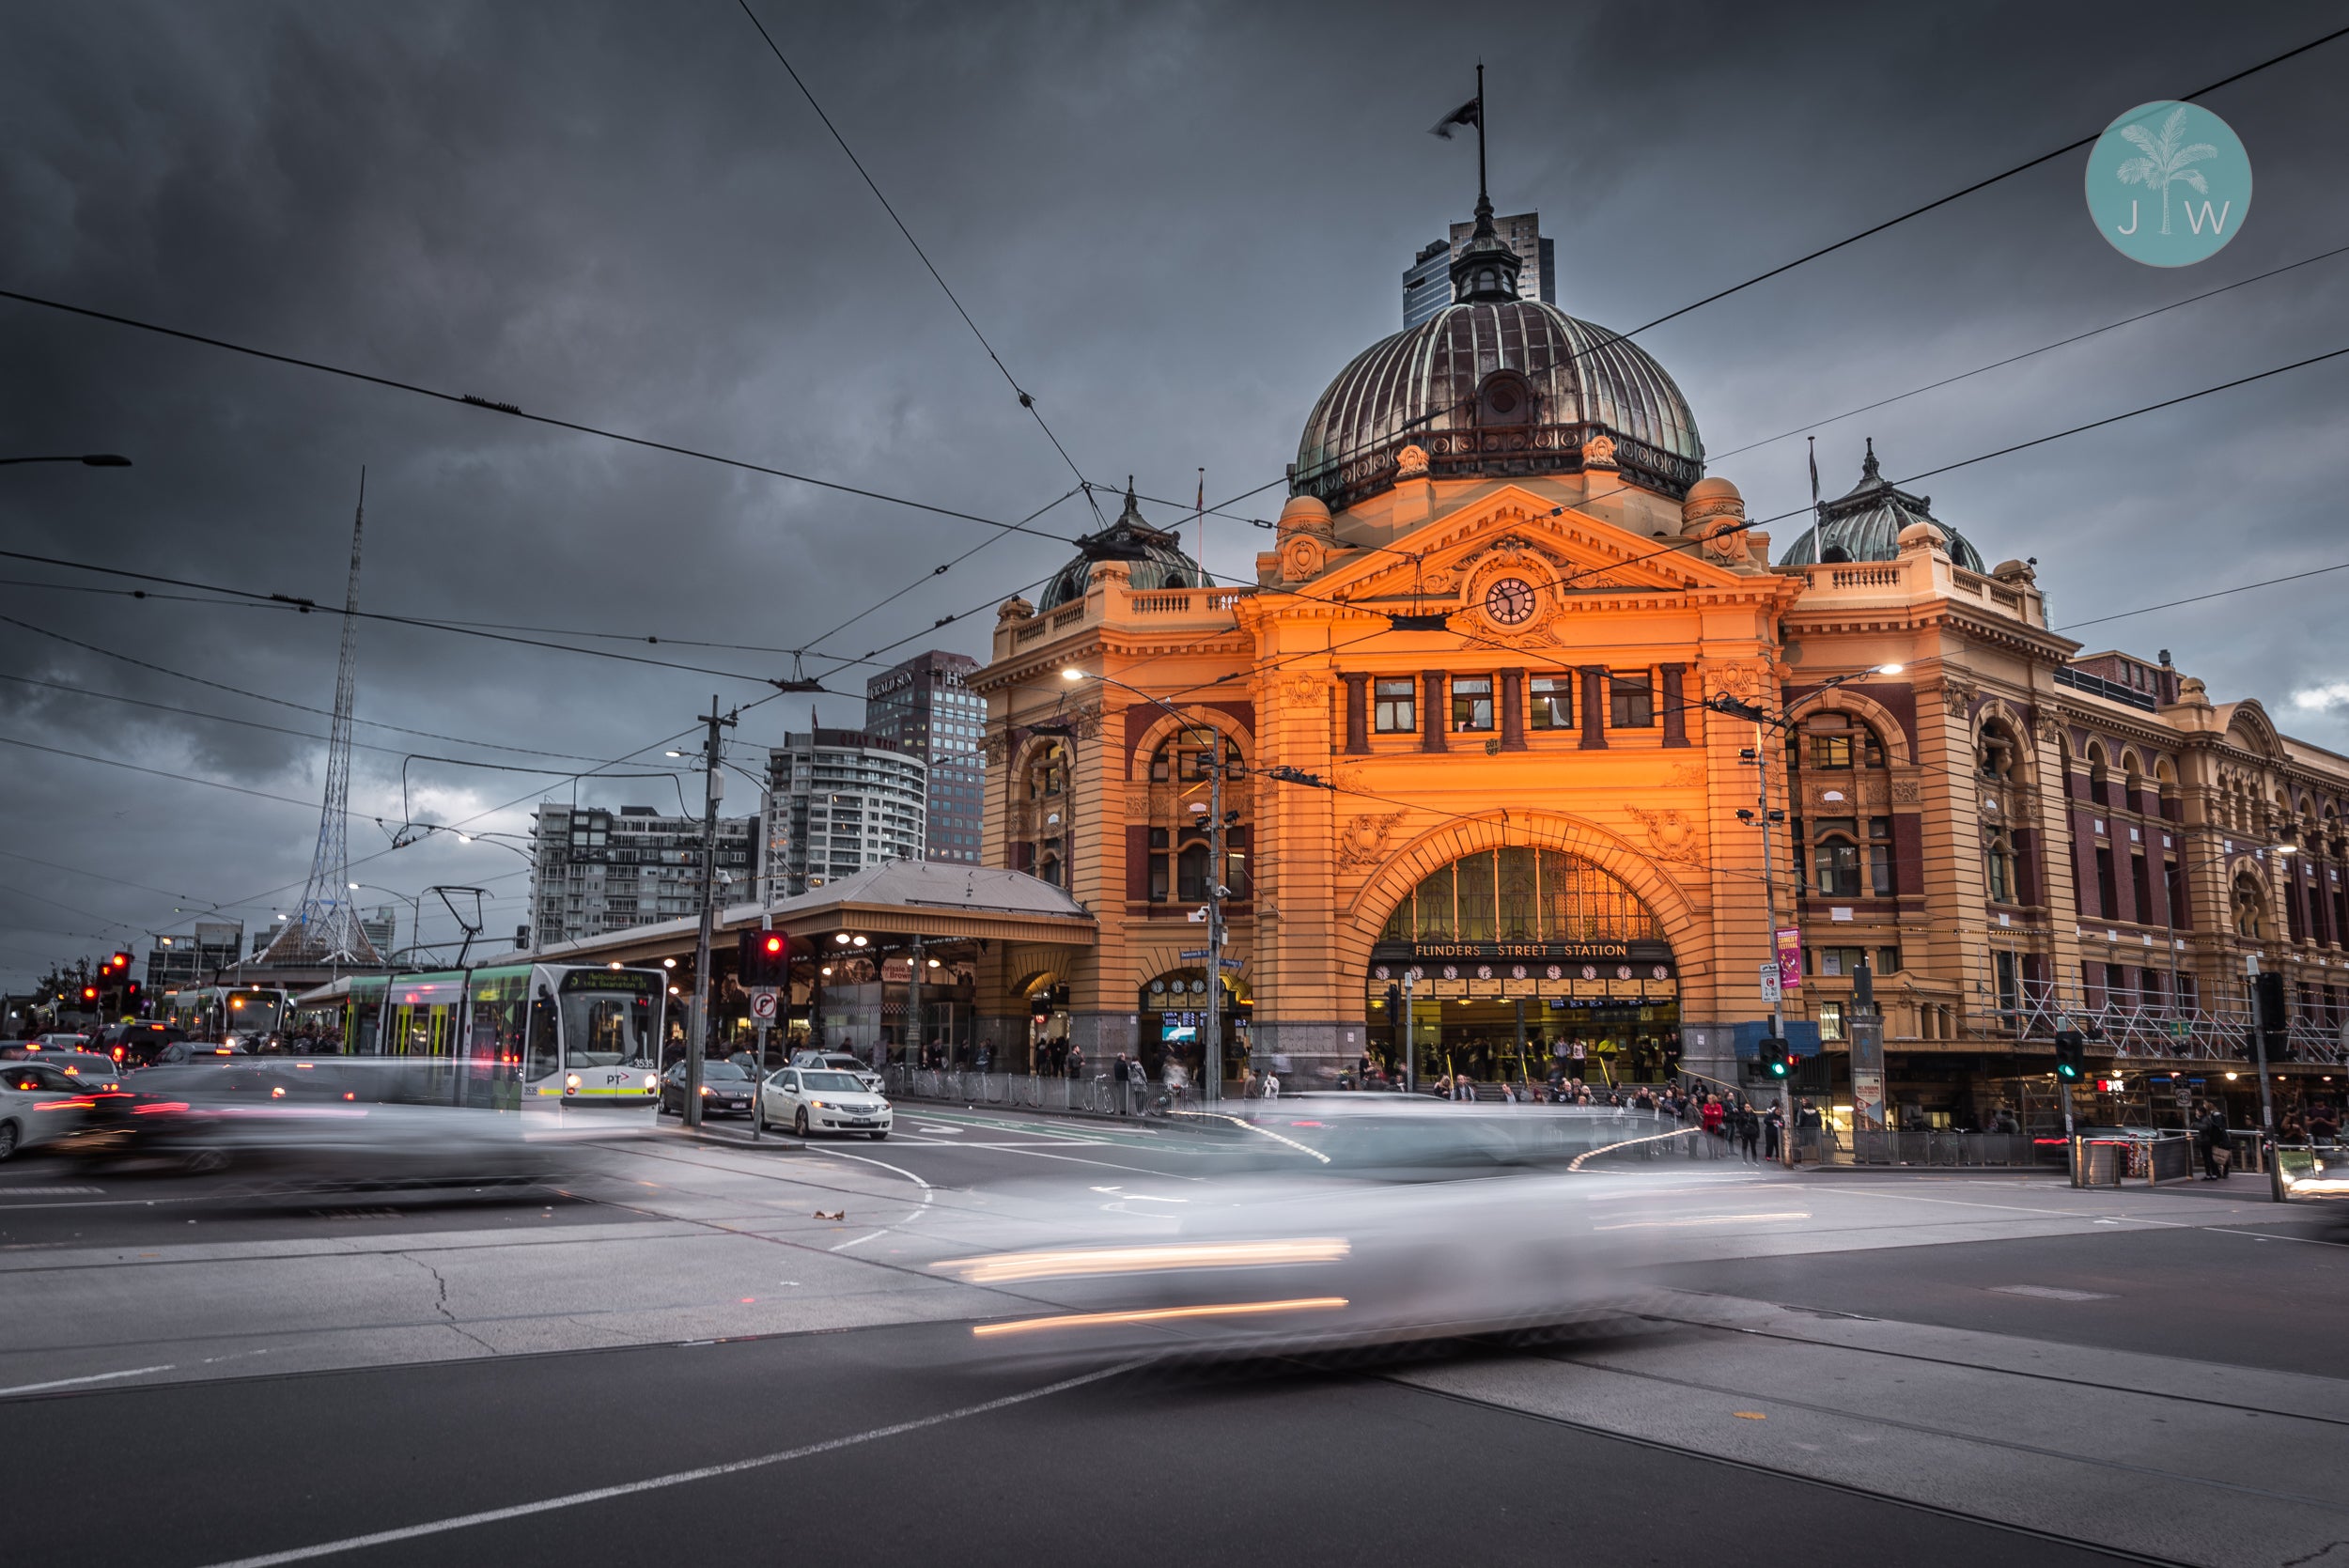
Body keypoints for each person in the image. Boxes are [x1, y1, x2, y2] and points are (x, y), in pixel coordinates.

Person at [2197, 1103, 2229, 1179]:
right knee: (2219, 1155)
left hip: (2217, 1139)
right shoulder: (2213, 1116)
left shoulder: (2214, 1116)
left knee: (2219, 1155)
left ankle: (2221, 1173)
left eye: (2204, 1105)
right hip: (2218, 1138)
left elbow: (2217, 1127)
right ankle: (2220, 1173)